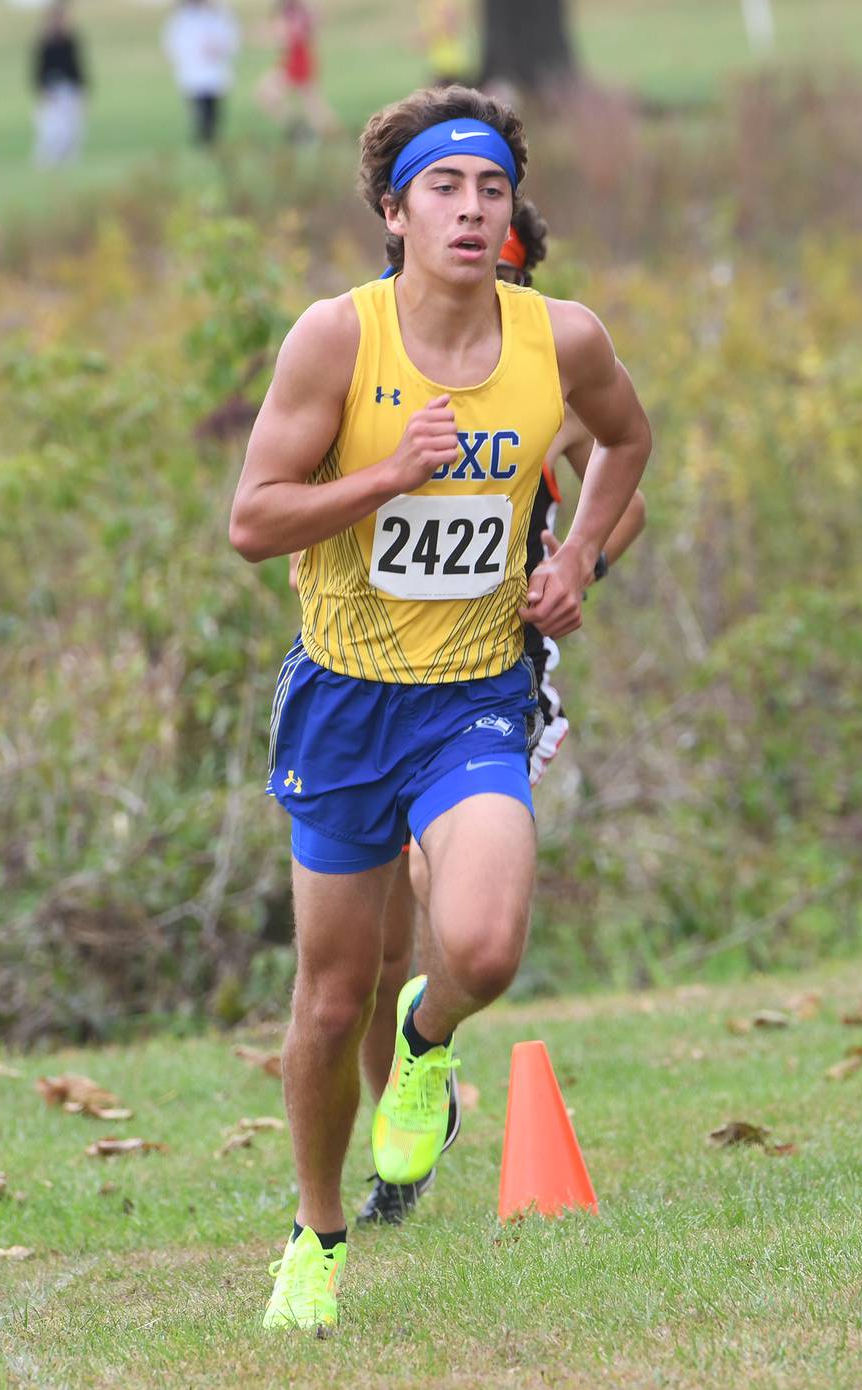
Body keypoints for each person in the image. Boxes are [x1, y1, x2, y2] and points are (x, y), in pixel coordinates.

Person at [229, 84, 652, 1331]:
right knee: (328, 989)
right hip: (345, 696)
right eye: (445, 191)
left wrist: (575, 560)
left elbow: (629, 445)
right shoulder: (334, 340)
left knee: (481, 947)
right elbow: (252, 521)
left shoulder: (560, 339)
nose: (472, 212)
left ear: (513, 210)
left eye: (492, 190)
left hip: (474, 691)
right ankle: (315, 1232)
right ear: (394, 211)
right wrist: (386, 476)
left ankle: (428, 1041)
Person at [354, 198, 648, 1228]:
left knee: (440, 883)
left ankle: (419, 1062)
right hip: (371, 669)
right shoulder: (375, 349)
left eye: (514, 259)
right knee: (378, 941)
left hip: (494, 669)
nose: (497, 274)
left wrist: (575, 567)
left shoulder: (547, 364)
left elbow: (626, 485)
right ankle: (396, 1141)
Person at [255, 0, 337, 143]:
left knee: (310, 103)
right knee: (310, 102)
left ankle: (314, 132)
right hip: (292, 58)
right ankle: (307, 130)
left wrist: (273, 34)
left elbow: (293, 34)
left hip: (298, 59)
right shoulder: (288, 8)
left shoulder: (298, 9)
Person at [162, 0, 239, 147]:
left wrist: (220, 48)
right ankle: (202, 136)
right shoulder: (182, 16)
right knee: (197, 104)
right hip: (193, 67)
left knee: (213, 106)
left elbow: (231, 36)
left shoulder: (220, 13)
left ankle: (211, 136)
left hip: (215, 66)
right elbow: (173, 40)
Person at [32, 1, 89, 167]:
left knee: (72, 129)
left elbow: (77, 68)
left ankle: (68, 163)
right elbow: (38, 70)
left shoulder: (70, 41)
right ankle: (47, 162)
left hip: (69, 89)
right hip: (51, 90)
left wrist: (82, 90)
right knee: (52, 130)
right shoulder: (45, 42)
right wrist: (41, 89)